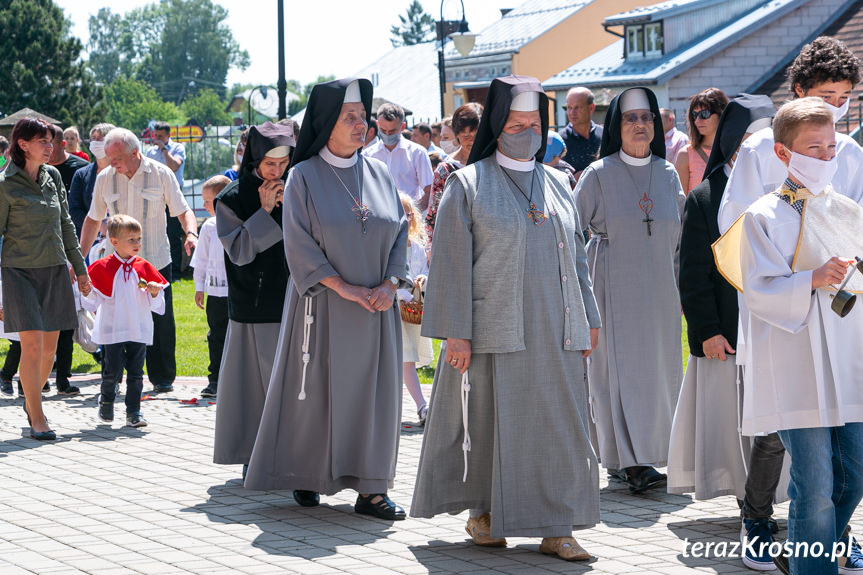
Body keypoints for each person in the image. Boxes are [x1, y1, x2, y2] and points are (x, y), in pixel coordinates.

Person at [412, 75, 601, 560]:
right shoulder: (468, 184)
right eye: (516, 124)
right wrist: (456, 333)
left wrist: (589, 315)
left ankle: (557, 526)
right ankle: (486, 514)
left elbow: (577, 256)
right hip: (492, 327)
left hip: (556, 326)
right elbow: (450, 263)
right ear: (498, 126)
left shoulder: (560, 181)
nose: (527, 132)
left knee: (558, 425)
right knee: (491, 425)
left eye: (535, 123)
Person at [244, 78, 409, 521]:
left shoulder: (379, 172)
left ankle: (372, 489)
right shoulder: (304, 175)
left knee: (374, 397)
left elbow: (399, 232)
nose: (362, 124)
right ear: (326, 123)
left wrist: (391, 284)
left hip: (376, 310)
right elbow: (297, 243)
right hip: (324, 305)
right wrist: (345, 288)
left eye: (363, 116)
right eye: (350, 117)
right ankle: (307, 472)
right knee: (315, 394)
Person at [734, 97, 863, 575]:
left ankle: (807, 549)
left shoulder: (848, 210)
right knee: (815, 484)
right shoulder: (762, 216)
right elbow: (758, 292)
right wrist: (810, 278)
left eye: (832, 147)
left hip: (848, 361)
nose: (827, 157)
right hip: (796, 364)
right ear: (784, 154)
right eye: (814, 148)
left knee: (855, 473)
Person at [665, 94, 783, 571]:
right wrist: (708, 331)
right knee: (738, 427)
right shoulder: (705, 196)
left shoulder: (788, 194)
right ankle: (748, 504)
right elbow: (692, 272)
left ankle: (771, 500)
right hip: (729, 338)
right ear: (734, 147)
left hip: (780, 333)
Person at [574, 87, 683, 493]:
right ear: (617, 125)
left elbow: (678, 236)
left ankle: (655, 452)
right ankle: (626, 460)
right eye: (630, 118)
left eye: (647, 118)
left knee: (658, 371)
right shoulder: (598, 174)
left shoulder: (668, 172)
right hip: (612, 287)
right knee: (617, 375)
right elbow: (570, 231)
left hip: (659, 292)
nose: (640, 125)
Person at [79, 128, 198, 394]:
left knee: (160, 319)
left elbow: (183, 210)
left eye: (117, 158)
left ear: (135, 153)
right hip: (116, 264)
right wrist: (79, 256)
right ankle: (113, 378)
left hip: (154, 260)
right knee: (114, 318)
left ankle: (162, 378)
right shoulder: (104, 178)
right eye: (109, 158)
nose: (112, 164)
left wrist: (191, 234)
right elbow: (93, 219)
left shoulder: (160, 173)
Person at [0, 117, 91, 440]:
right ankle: (37, 415)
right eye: (43, 141)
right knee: (33, 345)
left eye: (51, 141)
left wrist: (80, 270)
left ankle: (31, 399)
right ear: (22, 144)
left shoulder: (52, 176)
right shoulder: (4, 184)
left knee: (50, 350)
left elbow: (66, 224)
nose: (50, 146)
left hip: (54, 269)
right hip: (19, 272)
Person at [212, 122, 294, 477]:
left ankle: (295, 456)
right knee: (254, 388)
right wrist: (264, 213)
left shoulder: (300, 189)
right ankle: (254, 455)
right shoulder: (230, 198)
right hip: (254, 305)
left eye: (283, 165)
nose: (276, 173)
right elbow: (241, 252)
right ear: (254, 161)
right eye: (269, 165)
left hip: (297, 298)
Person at [719, 36, 863, 231]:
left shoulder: (850, 151)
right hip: (772, 259)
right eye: (826, 97)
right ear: (800, 90)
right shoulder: (759, 147)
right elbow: (735, 222)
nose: (834, 107)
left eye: (843, 98)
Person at [83, 214, 167, 428]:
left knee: (137, 374)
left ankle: (134, 412)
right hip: (113, 329)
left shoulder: (144, 266)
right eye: (131, 239)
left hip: (138, 328)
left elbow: (157, 305)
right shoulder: (102, 267)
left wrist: (155, 293)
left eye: (139, 239)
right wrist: (86, 291)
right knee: (111, 372)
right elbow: (94, 301)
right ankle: (107, 402)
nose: (137, 244)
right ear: (114, 242)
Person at [190, 176, 229, 399]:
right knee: (216, 335)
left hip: (234, 292)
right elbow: (201, 260)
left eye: (208, 200)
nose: (204, 205)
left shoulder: (238, 222)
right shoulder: (209, 228)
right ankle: (214, 379)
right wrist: (199, 287)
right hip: (215, 293)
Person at [396, 192, 432, 424]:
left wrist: (422, 280)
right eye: (401, 214)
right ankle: (421, 405)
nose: (406, 219)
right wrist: (401, 294)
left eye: (409, 214)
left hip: (411, 313)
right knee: (403, 360)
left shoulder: (417, 248)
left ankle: (421, 406)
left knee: (407, 360)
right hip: (392, 311)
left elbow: (425, 272)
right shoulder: (388, 246)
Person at [425, 103, 482, 244]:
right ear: (457, 135)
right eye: (466, 135)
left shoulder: (494, 164)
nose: (472, 141)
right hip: (456, 243)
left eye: (477, 135)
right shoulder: (445, 171)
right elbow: (434, 215)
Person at [146, 121, 187, 280]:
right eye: (155, 136)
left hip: (173, 194)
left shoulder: (178, 148)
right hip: (155, 194)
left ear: (168, 136)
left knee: (173, 234)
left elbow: (175, 166)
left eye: (161, 136)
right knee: (156, 232)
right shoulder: (150, 152)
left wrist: (164, 149)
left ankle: (175, 272)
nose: (157, 139)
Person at [675, 88, 729, 194]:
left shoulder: (735, 152)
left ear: (721, 114)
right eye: (694, 115)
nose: (697, 120)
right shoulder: (685, 154)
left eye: (704, 114)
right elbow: (680, 204)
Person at [68, 123, 115, 236]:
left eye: (100, 138)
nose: (95, 142)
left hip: (121, 235)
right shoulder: (81, 174)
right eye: (93, 138)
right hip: (91, 238)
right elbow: (74, 210)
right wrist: (97, 225)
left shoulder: (123, 171)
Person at [558, 87, 603, 178]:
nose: (572, 112)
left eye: (577, 107)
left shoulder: (605, 135)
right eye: (569, 107)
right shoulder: (559, 141)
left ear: (591, 108)